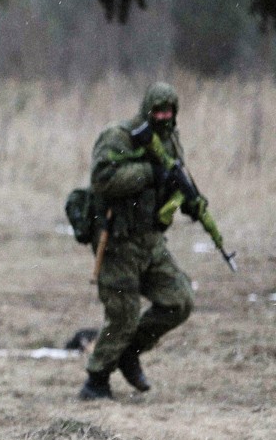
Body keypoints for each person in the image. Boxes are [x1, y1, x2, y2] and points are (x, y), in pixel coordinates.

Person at [79, 81, 196, 401]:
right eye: (157, 111)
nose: (163, 117)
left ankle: (129, 352)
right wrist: (148, 172)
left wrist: (186, 201)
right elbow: (102, 179)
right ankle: (96, 380)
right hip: (117, 241)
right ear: (147, 109)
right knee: (123, 313)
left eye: (169, 112)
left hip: (151, 240)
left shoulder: (171, 140)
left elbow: (174, 177)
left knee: (180, 300)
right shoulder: (118, 136)